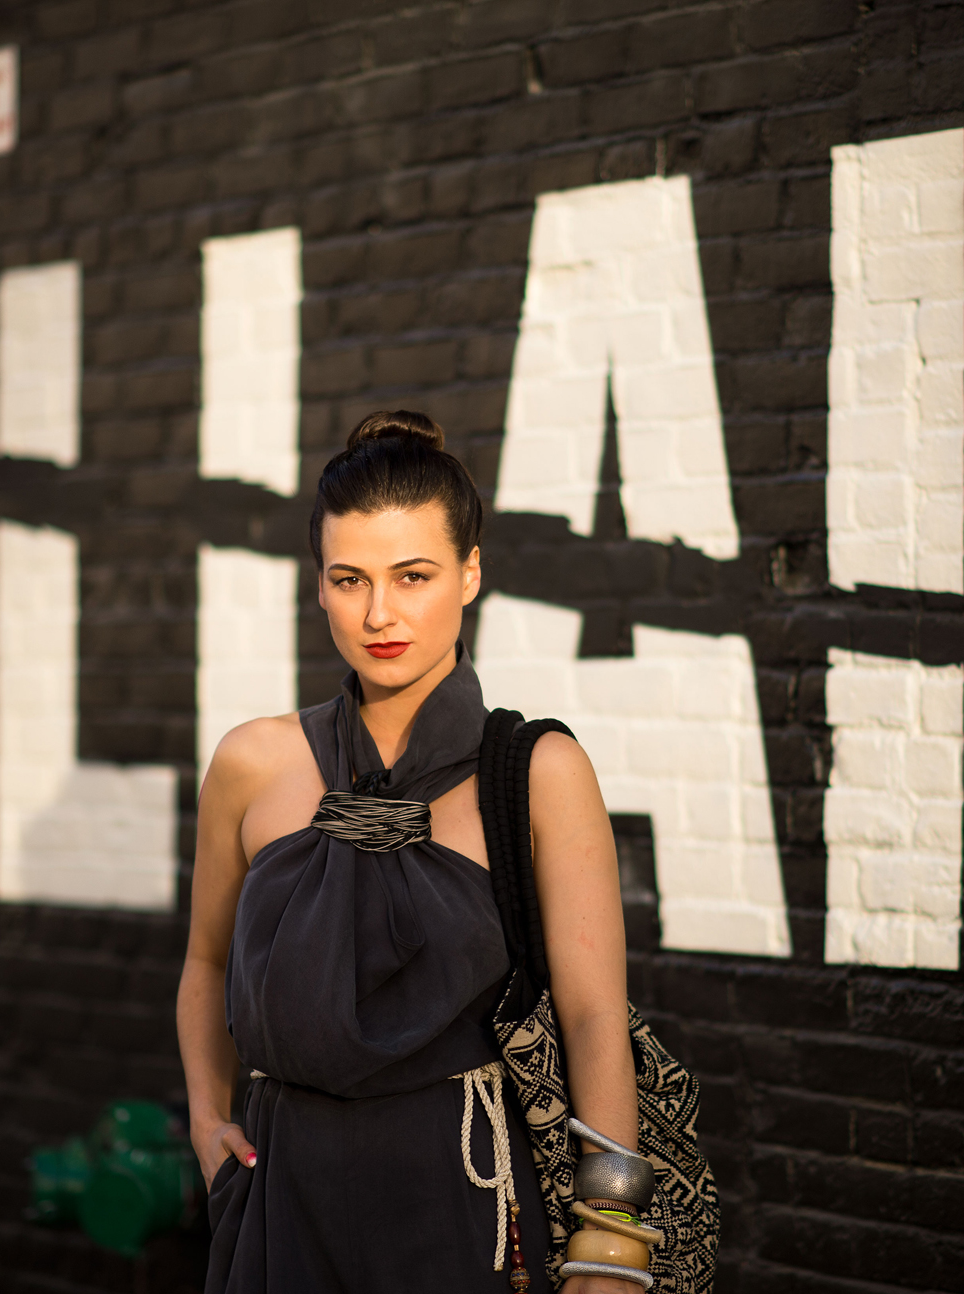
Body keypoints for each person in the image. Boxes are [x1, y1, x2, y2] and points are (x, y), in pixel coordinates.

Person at [179, 410, 644, 1293]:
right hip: (281, 1204)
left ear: (471, 574)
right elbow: (203, 962)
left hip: (463, 1204)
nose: (379, 613)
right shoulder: (252, 764)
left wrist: (613, 1233)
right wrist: (208, 1121)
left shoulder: (538, 771)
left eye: (413, 575)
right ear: (318, 585)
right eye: (349, 579)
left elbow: (593, 1017)